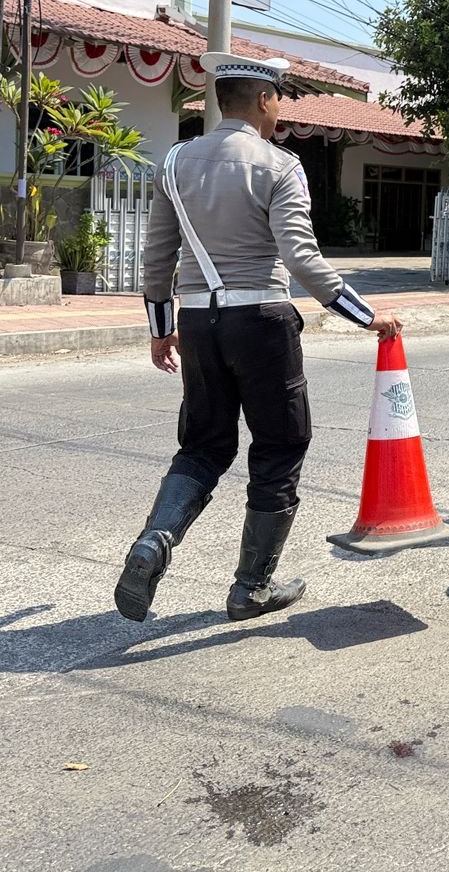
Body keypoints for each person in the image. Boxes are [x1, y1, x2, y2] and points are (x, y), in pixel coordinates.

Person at [117, 52, 402, 624]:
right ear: (266, 99)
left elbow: (157, 258)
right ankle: (251, 587)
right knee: (278, 447)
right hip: (262, 321)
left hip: (197, 322)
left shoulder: (175, 162)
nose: (279, 112)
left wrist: (161, 330)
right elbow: (301, 258)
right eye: (279, 101)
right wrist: (365, 315)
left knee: (202, 446)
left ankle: (154, 541)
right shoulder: (280, 165)